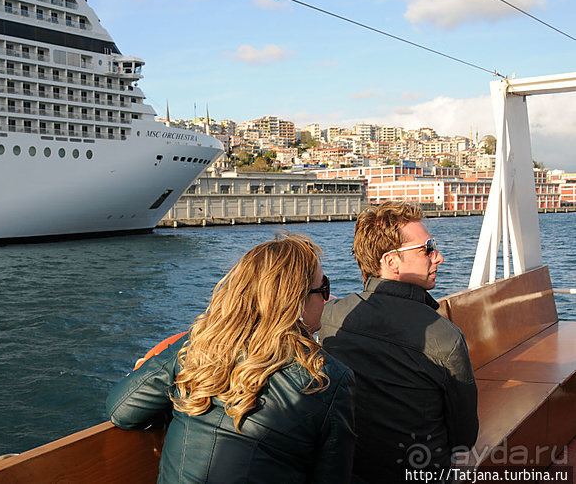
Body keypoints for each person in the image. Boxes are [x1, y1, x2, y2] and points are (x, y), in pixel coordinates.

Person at [107, 234, 356, 483]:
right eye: (324, 288)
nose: (327, 299)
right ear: (296, 301)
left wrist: (182, 405)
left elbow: (121, 411)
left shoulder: (199, 345)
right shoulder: (328, 380)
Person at [319, 201, 478, 484]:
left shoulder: (330, 317)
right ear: (391, 262)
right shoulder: (445, 338)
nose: (437, 256)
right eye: (427, 248)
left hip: (350, 469)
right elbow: (464, 438)